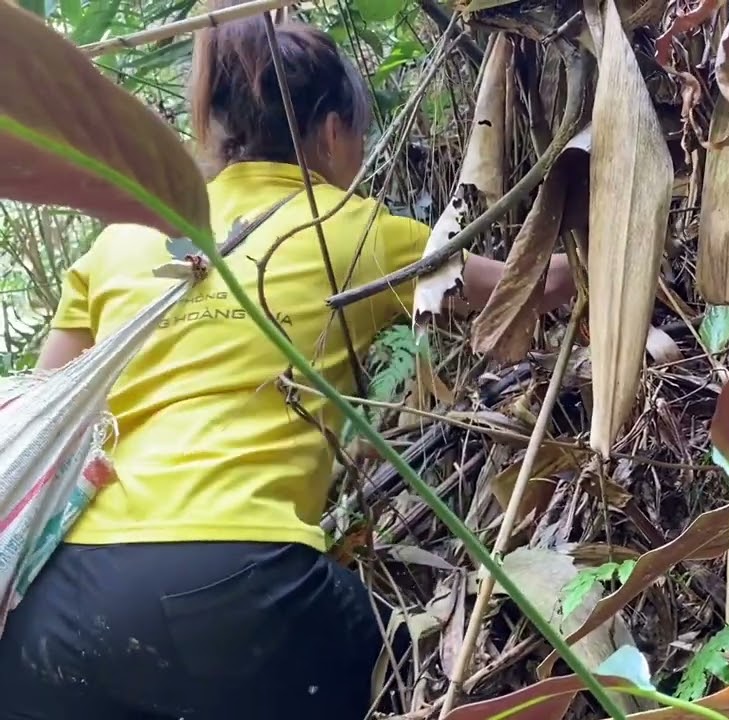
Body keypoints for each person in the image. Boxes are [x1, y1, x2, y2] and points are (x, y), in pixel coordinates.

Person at [0, 6, 573, 720]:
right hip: (240, 585)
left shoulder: (124, 233)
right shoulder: (359, 230)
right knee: (387, 657)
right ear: (335, 130)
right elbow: (536, 287)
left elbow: (46, 399)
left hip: (57, 607)